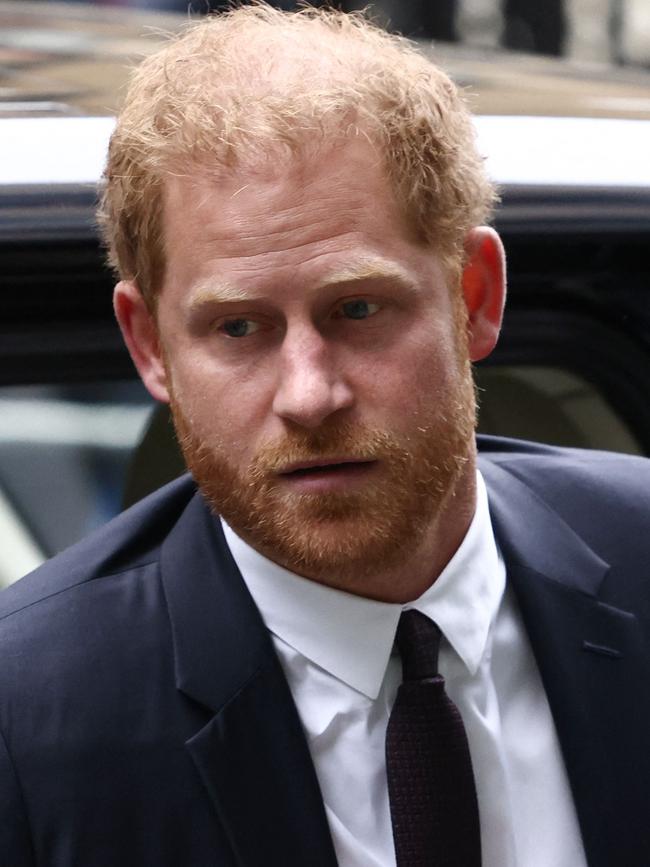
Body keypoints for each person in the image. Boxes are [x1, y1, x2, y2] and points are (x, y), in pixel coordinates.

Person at [1, 5, 649, 866]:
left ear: (476, 297)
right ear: (149, 345)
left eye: (357, 309)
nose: (310, 394)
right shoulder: (28, 720)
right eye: (238, 328)